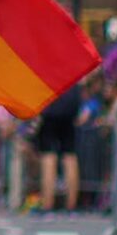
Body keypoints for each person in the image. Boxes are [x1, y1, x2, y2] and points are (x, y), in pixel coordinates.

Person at [36, 82, 81, 213]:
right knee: (70, 154)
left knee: (48, 155)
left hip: (51, 98)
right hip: (71, 99)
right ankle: (71, 205)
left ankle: (47, 204)